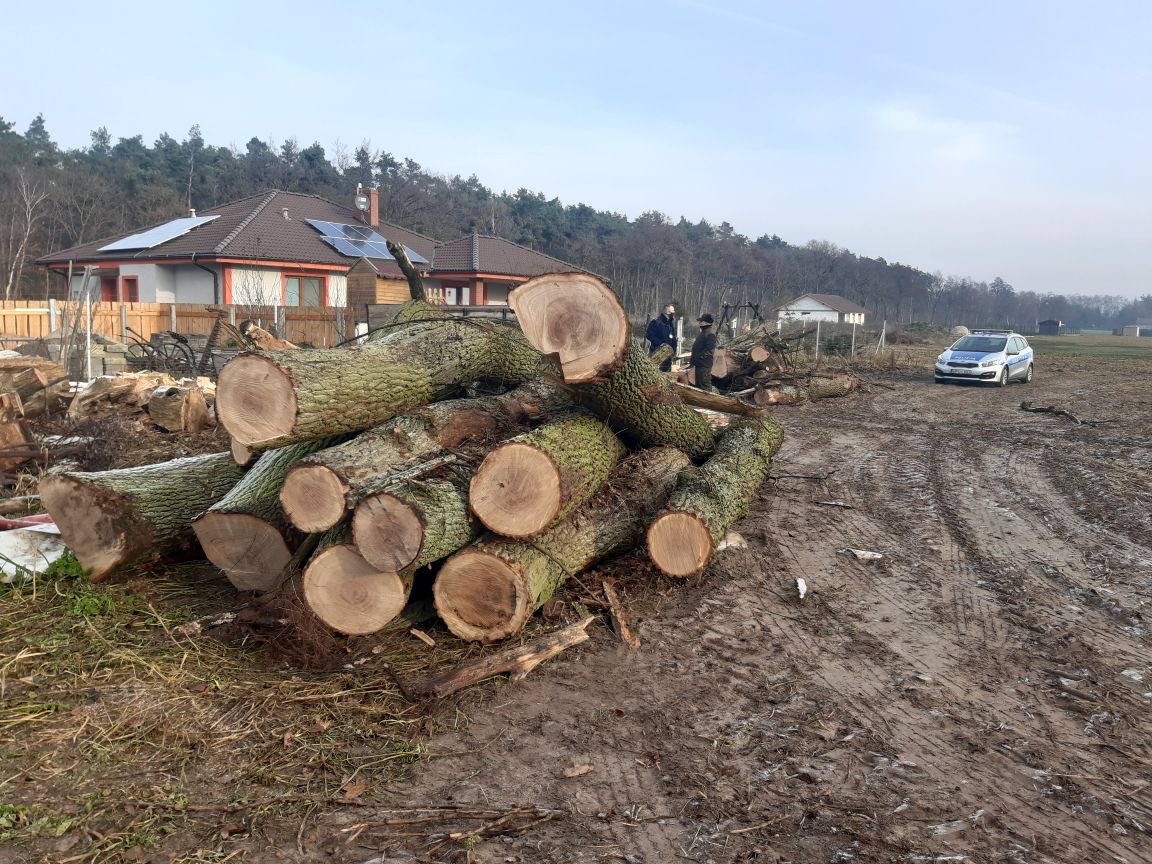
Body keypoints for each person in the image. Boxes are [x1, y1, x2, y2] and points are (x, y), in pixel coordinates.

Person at [645, 303, 678, 372]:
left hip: (668, 355)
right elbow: (649, 335)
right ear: (667, 311)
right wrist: (661, 344)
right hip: (658, 353)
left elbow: (673, 337)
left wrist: (674, 349)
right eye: (672, 311)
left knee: (667, 374)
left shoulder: (670, 323)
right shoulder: (656, 322)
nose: (673, 313)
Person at [690, 313, 717, 392]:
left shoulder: (710, 334)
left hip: (704, 365)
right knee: (699, 386)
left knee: (705, 386)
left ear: (706, 322)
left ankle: (709, 402)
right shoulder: (704, 332)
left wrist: (699, 358)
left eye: (701, 321)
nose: (700, 323)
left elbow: (710, 350)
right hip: (700, 364)